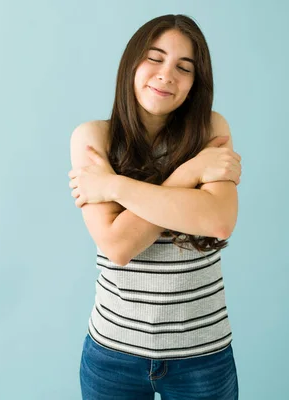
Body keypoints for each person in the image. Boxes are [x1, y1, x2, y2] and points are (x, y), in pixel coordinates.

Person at [68, 14, 243, 400]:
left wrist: (113, 185)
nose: (167, 75)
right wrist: (189, 176)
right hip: (113, 354)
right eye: (155, 58)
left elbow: (219, 220)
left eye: (184, 67)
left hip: (203, 354)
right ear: (131, 62)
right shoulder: (93, 137)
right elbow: (118, 246)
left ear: (196, 83)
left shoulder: (211, 129)